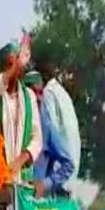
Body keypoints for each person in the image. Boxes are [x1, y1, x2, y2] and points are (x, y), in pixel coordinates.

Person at [0, 42, 42, 181]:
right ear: (0, 70)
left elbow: (37, 139)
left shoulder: (29, 97)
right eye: (9, 65)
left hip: (23, 179)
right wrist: (16, 63)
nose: (14, 70)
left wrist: (20, 161)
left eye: (16, 65)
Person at [32, 48, 82, 184]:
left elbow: (47, 135)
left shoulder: (48, 94)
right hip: (72, 172)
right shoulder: (62, 93)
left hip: (59, 174)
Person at [23, 70, 74, 198]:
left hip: (37, 206)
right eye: (34, 93)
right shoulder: (15, 126)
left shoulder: (47, 127)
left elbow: (68, 165)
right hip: (14, 198)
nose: (39, 98)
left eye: (41, 93)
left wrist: (45, 184)